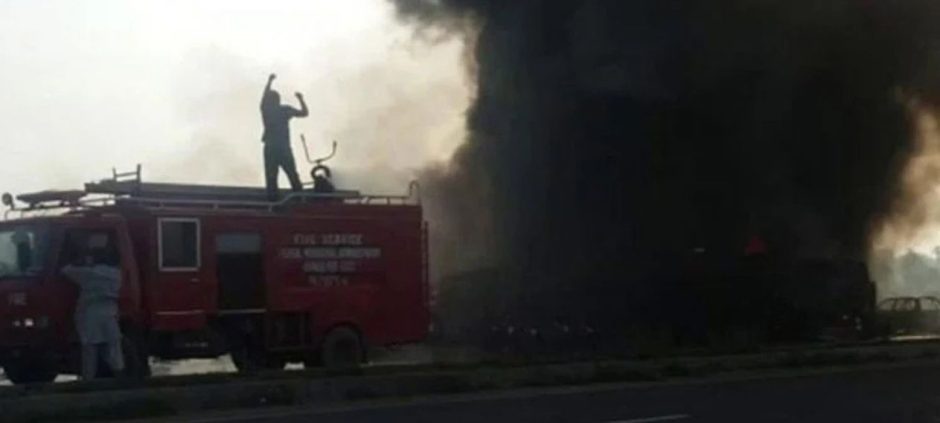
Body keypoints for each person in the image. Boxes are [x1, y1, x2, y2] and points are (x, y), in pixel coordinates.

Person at [61, 235, 124, 380]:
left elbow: (66, 270)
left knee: (90, 347)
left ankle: (88, 377)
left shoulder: (88, 273)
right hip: (110, 311)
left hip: (90, 312)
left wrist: (81, 260)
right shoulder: (116, 273)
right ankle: (119, 373)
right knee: (114, 345)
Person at [261, 73, 309, 201]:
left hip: (272, 147)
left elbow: (264, 97)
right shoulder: (284, 110)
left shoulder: (267, 110)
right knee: (292, 173)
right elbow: (304, 113)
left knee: (271, 176)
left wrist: (269, 81)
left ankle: (273, 201)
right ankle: (300, 198)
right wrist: (301, 99)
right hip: (283, 147)